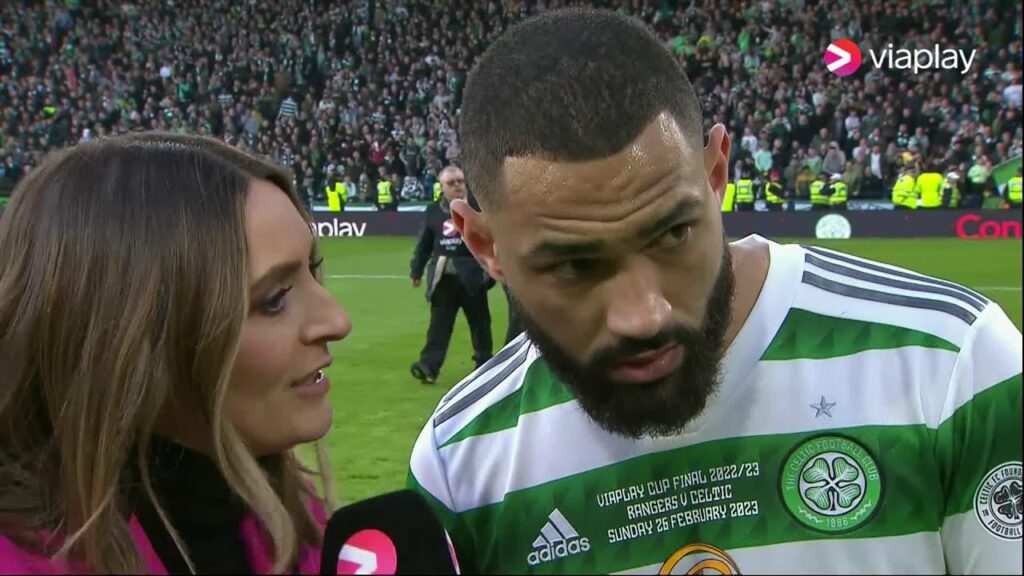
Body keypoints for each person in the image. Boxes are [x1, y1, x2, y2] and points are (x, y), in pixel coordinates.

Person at [407, 9, 1022, 575]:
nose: (642, 315)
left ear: (716, 175)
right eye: (573, 266)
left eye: (672, 234)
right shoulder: (460, 465)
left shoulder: (951, 365)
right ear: (483, 245)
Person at [0, 132, 352, 574]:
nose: (337, 320)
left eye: (314, 272)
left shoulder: (288, 518)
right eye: (274, 299)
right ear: (133, 341)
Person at [409, 166, 494, 384]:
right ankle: (428, 366)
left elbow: (492, 239)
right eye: (451, 183)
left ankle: (485, 365)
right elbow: (424, 244)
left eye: (460, 181)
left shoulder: (478, 208)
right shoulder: (433, 211)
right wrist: (416, 270)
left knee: (480, 323)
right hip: (443, 276)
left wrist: (490, 271)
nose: (457, 185)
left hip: (473, 275)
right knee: (439, 325)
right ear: (442, 187)